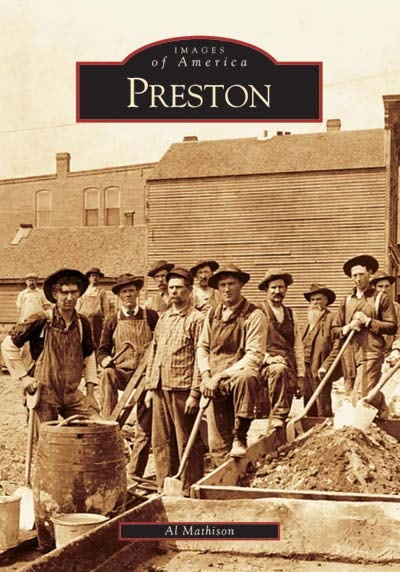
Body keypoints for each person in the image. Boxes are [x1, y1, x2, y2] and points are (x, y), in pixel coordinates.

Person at [1, 268, 100, 422]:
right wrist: (24, 378)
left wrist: (90, 394)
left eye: (74, 292)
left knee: (98, 426)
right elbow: (8, 345)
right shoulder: (41, 320)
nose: (69, 297)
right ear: (55, 294)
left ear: (79, 294)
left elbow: (89, 356)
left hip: (72, 394)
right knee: (44, 435)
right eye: (64, 293)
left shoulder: (82, 322)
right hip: (44, 394)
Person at [197, 264, 267, 463]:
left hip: (237, 379)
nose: (227, 289)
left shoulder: (254, 315)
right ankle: (223, 476)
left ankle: (240, 436)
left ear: (241, 285)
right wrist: (206, 376)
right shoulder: (212, 314)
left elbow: (254, 356)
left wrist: (220, 376)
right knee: (217, 444)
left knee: (247, 376)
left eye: (231, 284)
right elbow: (202, 347)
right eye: (222, 285)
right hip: (213, 383)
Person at [144, 267, 205, 495]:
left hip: (182, 388)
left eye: (179, 288)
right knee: (160, 441)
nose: (174, 292)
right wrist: (150, 388)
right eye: (171, 288)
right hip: (160, 387)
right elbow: (154, 353)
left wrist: (195, 393)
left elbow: (201, 357)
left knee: (186, 441)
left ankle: (189, 487)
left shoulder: (197, 319)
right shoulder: (164, 318)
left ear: (189, 291)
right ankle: (164, 487)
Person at [333, 255, 397, 415]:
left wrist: (368, 321)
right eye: (354, 275)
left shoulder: (381, 298)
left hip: (370, 351)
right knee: (351, 392)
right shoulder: (346, 300)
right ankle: (379, 404)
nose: (358, 279)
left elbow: (392, 326)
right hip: (349, 353)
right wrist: (348, 327)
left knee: (363, 392)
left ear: (370, 274)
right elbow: (335, 329)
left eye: (361, 274)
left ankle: (360, 423)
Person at [98, 274, 158, 419]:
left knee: (149, 398)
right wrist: (104, 360)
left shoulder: (151, 316)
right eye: (124, 292)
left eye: (131, 290)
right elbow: (103, 350)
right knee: (107, 374)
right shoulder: (112, 319)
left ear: (137, 293)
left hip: (145, 373)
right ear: (119, 295)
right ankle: (108, 421)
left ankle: (143, 432)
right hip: (122, 373)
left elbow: (160, 345)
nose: (128, 295)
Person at [258, 268, 305, 429]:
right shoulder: (257, 312)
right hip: (265, 370)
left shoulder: (291, 314)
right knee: (264, 417)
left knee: (281, 421)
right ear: (266, 289)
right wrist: (268, 359)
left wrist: (300, 377)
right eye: (273, 287)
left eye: (281, 287)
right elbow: (250, 344)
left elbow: (298, 346)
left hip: (289, 371)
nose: (277, 291)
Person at [302, 284, 341, 417]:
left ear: (326, 301)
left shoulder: (332, 318)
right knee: (308, 401)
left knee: (322, 403)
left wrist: (326, 366)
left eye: (318, 299)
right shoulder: (309, 321)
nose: (315, 303)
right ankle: (310, 426)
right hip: (306, 367)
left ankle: (324, 425)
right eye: (312, 300)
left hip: (320, 367)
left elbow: (337, 346)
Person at [76, 267, 110, 350]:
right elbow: (78, 304)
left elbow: (105, 306)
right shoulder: (83, 291)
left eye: (97, 276)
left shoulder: (101, 291)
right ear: (89, 278)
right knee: (83, 337)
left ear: (99, 278)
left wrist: (106, 319)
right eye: (93, 276)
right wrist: (76, 316)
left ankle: (97, 355)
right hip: (84, 318)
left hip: (96, 320)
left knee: (97, 339)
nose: (95, 278)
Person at [369, 270, 400, 354]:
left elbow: (399, 331)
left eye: (387, 286)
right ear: (374, 288)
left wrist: (396, 349)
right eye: (380, 286)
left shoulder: (397, 307)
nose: (384, 290)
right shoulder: (368, 306)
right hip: (371, 352)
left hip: (390, 352)